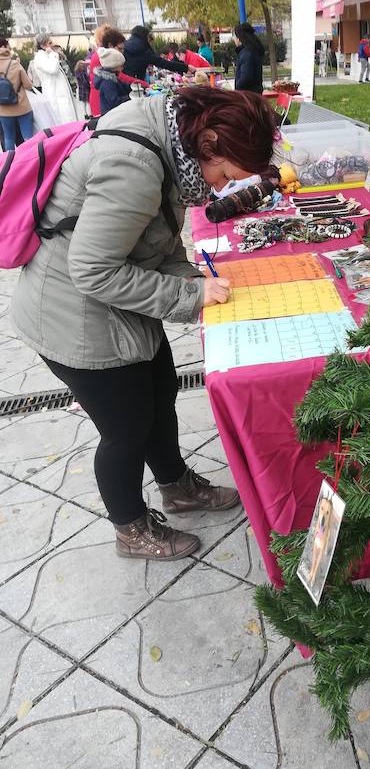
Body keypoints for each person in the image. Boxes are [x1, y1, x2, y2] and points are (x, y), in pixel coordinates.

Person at [10, 87, 278, 560]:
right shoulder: (133, 164)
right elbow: (93, 271)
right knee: (127, 428)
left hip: (115, 307)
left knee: (160, 393)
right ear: (211, 141)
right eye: (227, 175)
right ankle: (130, 528)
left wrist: (190, 279)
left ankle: (176, 487)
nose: (221, 188)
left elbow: (157, 238)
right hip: (74, 319)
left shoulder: (169, 138)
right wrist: (189, 294)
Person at [32, 33, 78, 124]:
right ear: (42, 45)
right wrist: (53, 54)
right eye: (49, 43)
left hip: (59, 94)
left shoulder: (45, 55)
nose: (52, 44)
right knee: (62, 121)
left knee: (67, 120)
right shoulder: (40, 57)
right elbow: (52, 69)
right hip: (55, 95)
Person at [0, 38, 34, 151]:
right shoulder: (15, 64)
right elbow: (28, 85)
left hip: (3, 110)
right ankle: (30, 162)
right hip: (22, 107)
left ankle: (11, 165)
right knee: (28, 138)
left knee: (8, 138)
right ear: (5, 47)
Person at [93, 47, 131, 114]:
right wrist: (131, 96)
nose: (122, 68)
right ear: (113, 66)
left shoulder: (112, 77)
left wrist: (135, 87)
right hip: (112, 115)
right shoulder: (108, 82)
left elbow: (123, 85)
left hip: (113, 114)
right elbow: (114, 101)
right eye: (121, 66)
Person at [233, 22, 264, 93]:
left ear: (239, 38)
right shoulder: (253, 50)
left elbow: (246, 77)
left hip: (248, 95)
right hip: (254, 93)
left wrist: (236, 87)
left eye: (234, 36)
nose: (234, 39)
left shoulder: (247, 54)